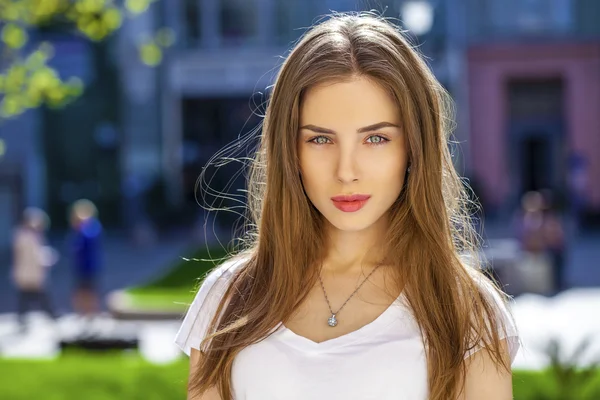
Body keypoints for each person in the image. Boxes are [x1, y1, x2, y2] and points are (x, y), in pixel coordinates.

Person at [175, 13, 519, 400]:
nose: (346, 171)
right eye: (320, 140)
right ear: (290, 151)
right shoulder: (227, 296)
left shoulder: (465, 309)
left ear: (414, 147)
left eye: (375, 139)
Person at [11, 207, 58, 329]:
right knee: (34, 296)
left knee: (30, 297)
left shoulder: (29, 235)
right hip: (29, 273)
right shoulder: (25, 236)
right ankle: (49, 315)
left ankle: (47, 315)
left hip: (31, 273)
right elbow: (34, 255)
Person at [69, 199, 103, 321]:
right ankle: (81, 313)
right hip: (80, 266)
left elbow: (89, 239)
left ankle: (92, 313)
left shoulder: (92, 226)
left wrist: (82, 225)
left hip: (90, 266)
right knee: (80, 291)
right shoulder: (78, 228)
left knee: (90, 291)